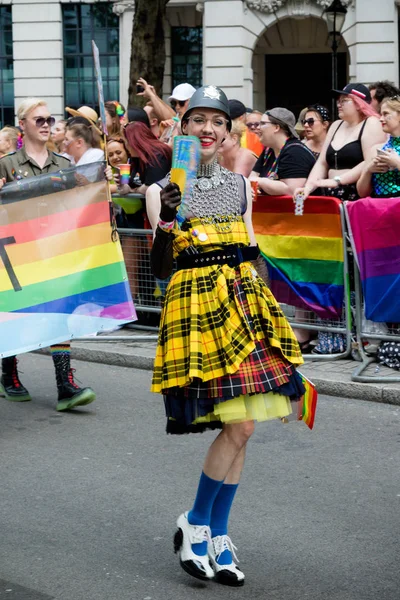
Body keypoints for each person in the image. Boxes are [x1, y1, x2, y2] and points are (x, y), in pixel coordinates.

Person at [146, 85, 305, 586]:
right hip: (196, 311)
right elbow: (159, 267)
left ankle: (210, 528)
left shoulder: (240, 184)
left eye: (218, 121)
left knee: (245, 426)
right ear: (183, 128)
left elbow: (251, 249)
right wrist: (169, 217)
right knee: (239, 426)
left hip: (242, 305)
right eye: (198, 121)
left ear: (228, 130)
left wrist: (267, 310)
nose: (208, 129)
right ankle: (200, 525)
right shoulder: (161, 188)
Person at [0, 97, 95, 411]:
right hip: (16, 251)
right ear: (23, 124)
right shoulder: (6, 164)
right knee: (14, 312)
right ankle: (9, 373)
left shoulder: (65, 164)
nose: (45, 125)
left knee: (59, 312)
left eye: (49, 120)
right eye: (38, 119)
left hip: (54, 250)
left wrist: (93, 187)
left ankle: (65, 384)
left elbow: (76, 207)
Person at [294, 83, 386, 202]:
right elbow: (322, 163)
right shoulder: (336, 125)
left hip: (356, 196)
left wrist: (337, 180)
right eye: (338, 101)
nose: (338, 105)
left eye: (344, 101)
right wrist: (308, 188)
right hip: (331, 195)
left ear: (359, 104)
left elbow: (368, 162)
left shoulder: (372, 123)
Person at [250, 107, 316, 195]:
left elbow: (291, 190)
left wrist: (260, 182)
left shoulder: (295, 151)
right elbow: (252, 177)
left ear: (277, 127)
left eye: (262, 123)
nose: (257, 127)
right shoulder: (268, 151)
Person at [357, 95, 400, 198]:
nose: (380, 119)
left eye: (385, 114)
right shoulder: (376, 150)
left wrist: (397, 162)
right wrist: (368, 170)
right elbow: (362, 193)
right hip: (379, 208)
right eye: (381, 114)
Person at [121, 121, 171, 196]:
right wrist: (121, 184)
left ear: (134, 142)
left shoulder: (158, 155)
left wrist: (133, 190)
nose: (126, 146)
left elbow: (150, 187)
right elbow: (129, 184)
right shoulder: (135, 158)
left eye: (126, 142)